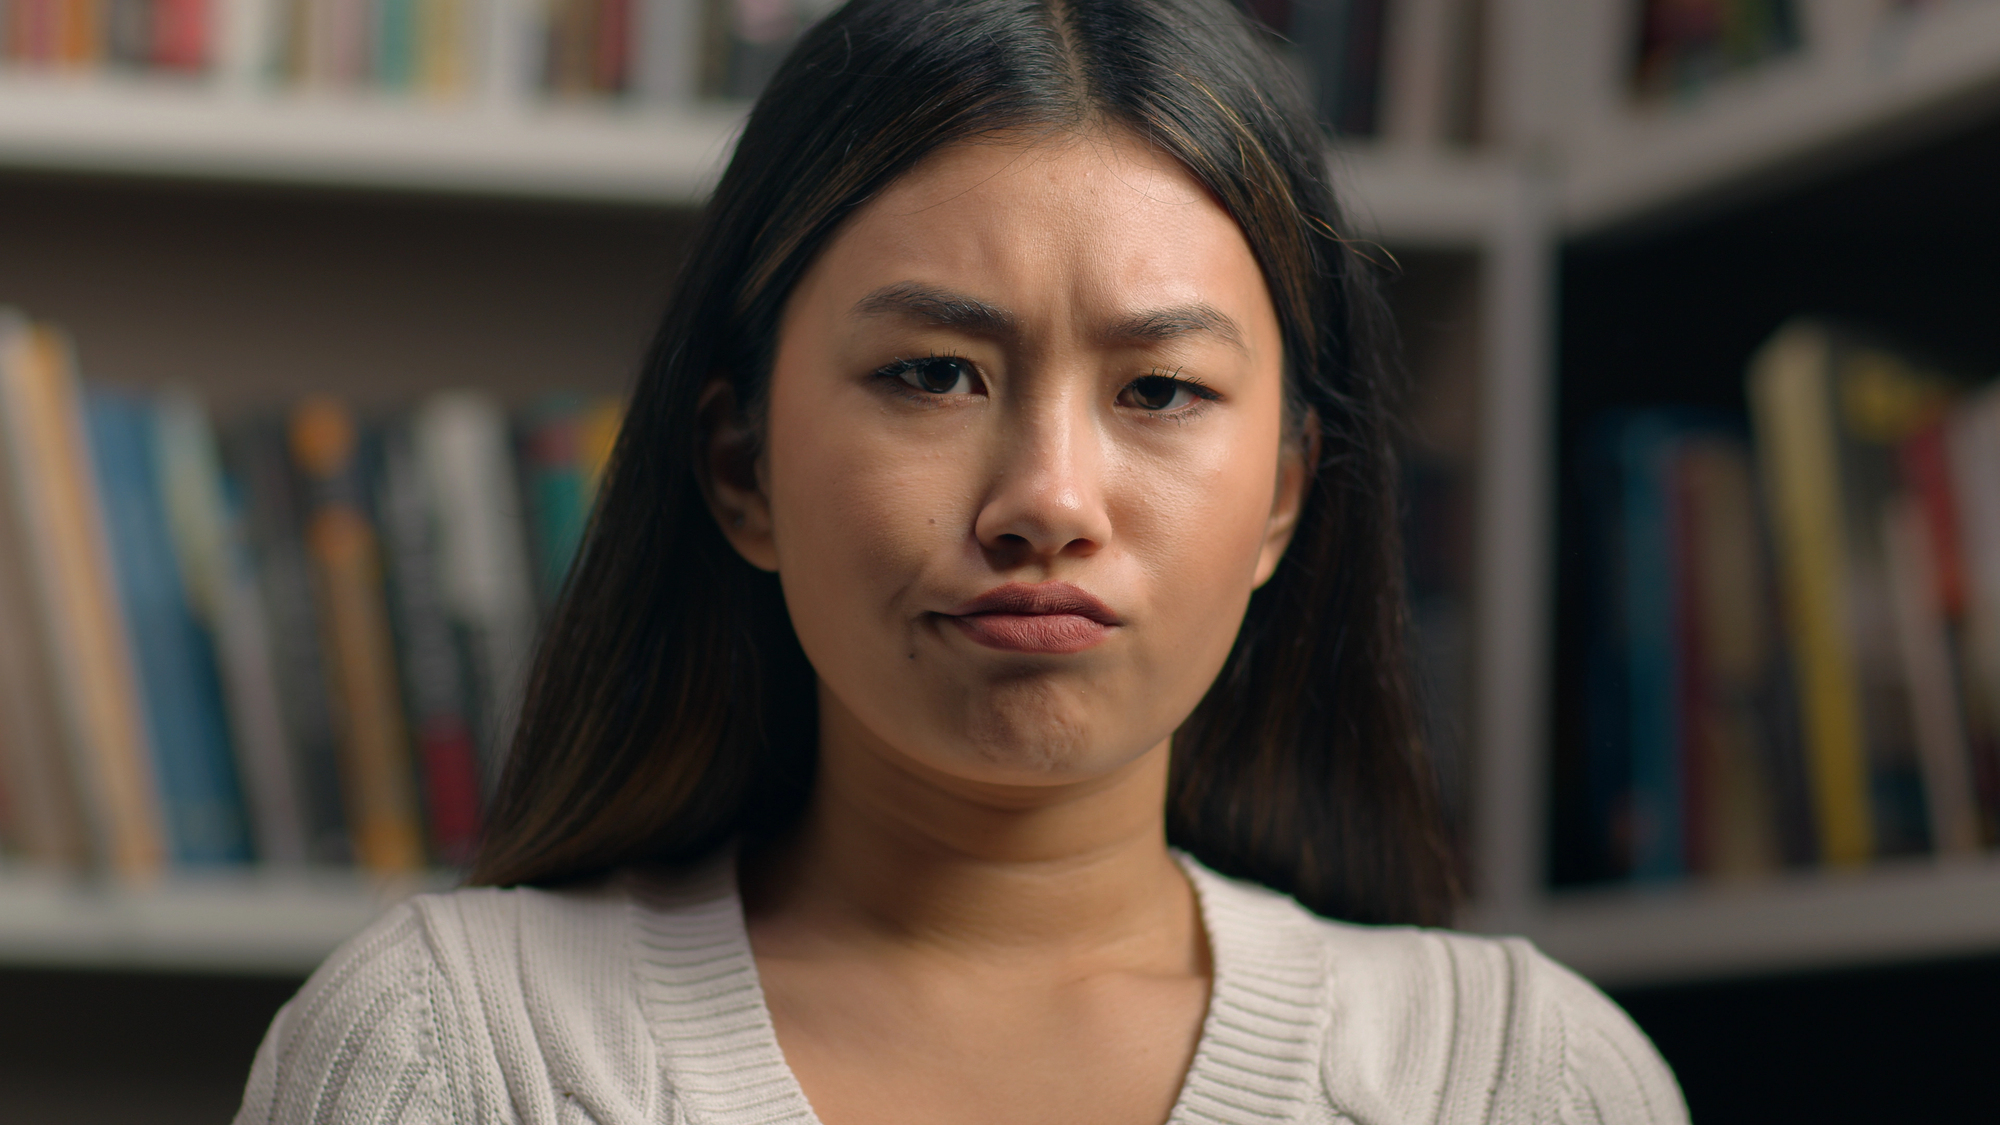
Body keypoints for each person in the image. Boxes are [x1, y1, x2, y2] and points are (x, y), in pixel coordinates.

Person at [235, 1, 1686, 1122]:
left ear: (1283, 501)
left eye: (1159, 391)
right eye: (934, 373)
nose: (1047, 499)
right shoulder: (452, 1056)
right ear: (741, 467)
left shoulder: (1517, 1077)